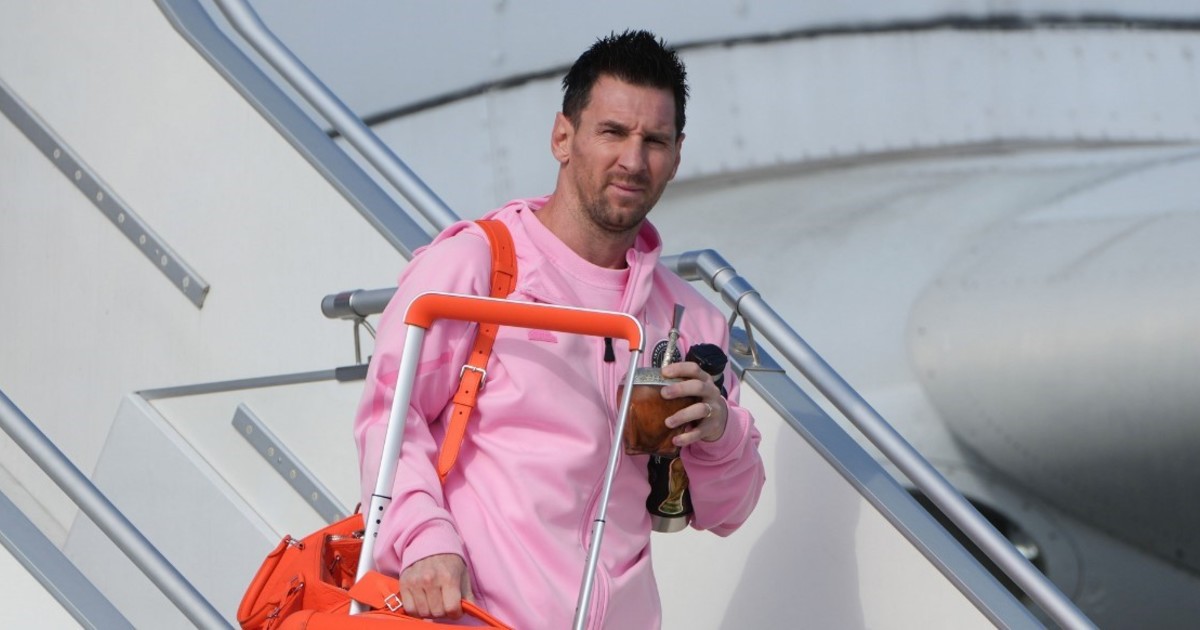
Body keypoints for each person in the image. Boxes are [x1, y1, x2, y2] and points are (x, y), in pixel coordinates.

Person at [355, 29, 765, 629]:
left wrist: (720, 431)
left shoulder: (690, 320)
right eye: (612, 132)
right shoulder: (477, 266)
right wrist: (424, 538)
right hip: (470, 616)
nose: (633, 161)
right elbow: (389, 419)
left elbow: (729, 511)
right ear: (562, 137)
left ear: (677, 155)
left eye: (654, 140)